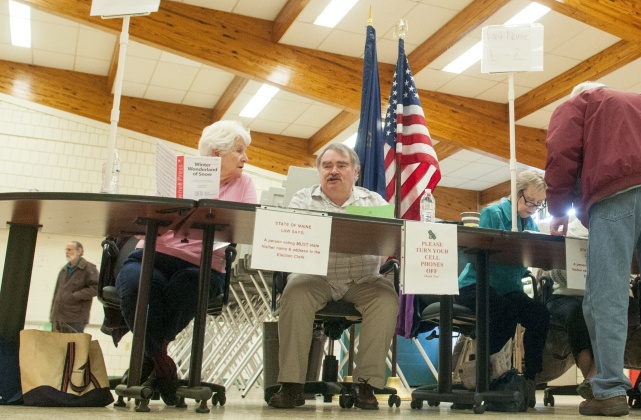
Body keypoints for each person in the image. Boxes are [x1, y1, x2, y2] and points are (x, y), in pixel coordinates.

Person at [545, 82, 641, 417]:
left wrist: (557, 208)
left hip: (616, 188)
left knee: (607, 294)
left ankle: (609, 391)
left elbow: (561, 151)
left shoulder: (576, 102)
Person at [117, 120, 256, 404]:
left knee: (185, 286)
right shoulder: (180, 176)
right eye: (239, 151)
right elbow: (151, 214)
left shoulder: (244, 184)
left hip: (203, 264)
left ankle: (150, 359)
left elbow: (247, 225)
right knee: (134, 283)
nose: (246, 158)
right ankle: (160, 360)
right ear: (216, 153)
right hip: (153, 254)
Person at [268, 143, 399, 410]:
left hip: (362, 278)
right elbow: (288, 238)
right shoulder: (303, 199)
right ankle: (292, 385)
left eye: (341, 165)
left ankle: (365, 384)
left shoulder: (374, 201)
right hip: (316, 276)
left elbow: (391, 241)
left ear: (355, 172)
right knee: (295, 292)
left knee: (386, 298)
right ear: (319, 172)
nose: (333, 171)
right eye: (326, 166)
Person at [455, 169, 550, 407]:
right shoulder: (492, 213)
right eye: (530, 201)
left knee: (540, 314)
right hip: (476, 284)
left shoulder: (531, 223)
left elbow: (538, 254)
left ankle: (530, 378)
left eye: (539, 204)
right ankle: (485, 375)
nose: (533, 207)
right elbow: (481, 253)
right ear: (516, 193)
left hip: (508, 289)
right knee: (505, 311)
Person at [50, 241, 99, 333]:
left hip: (75, 318)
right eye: (66, 250)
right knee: (57, 346)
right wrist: (52, 316)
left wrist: (75, 296)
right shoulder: (63, 270)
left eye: (69, 250)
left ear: (79, 251)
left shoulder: (88, 268)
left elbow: (96, 288)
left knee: (73, 346)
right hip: (58, 318)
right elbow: (56, 293)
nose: (66, 252)